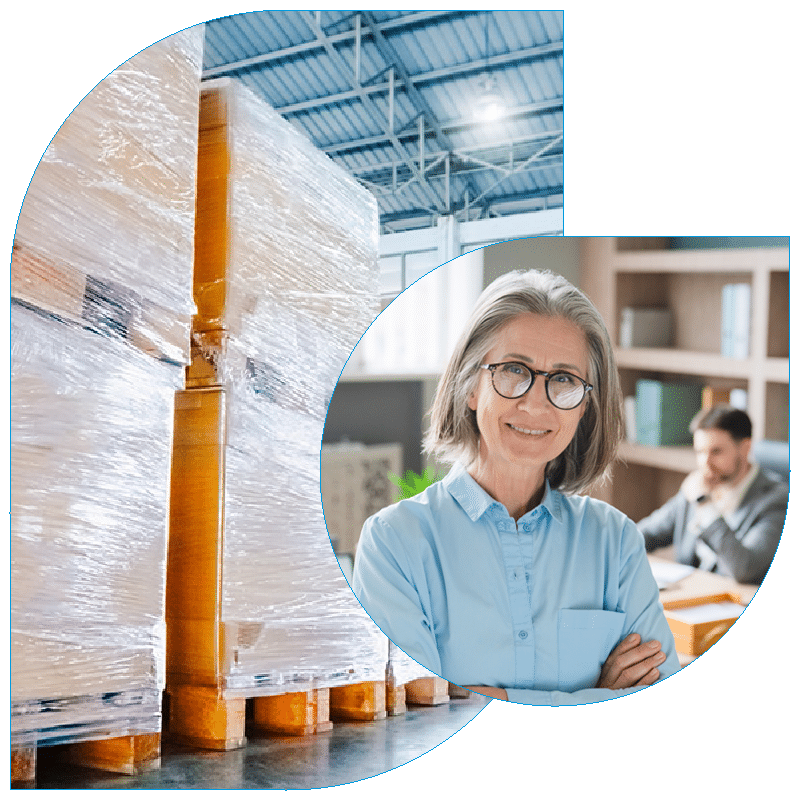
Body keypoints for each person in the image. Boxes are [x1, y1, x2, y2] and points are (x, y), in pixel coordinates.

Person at [351, 269, 680, 706]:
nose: (535, 403)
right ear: (470, 387)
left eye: (563, 379)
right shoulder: (395, 544)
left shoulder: (615, 542)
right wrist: (597, 697)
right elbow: (422, 722)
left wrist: (495, 698)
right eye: (513, 370)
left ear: (584, 406)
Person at [637, 405, 788, 585]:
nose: (705, 463)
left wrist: (705, 504)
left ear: (745, 448)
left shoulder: (777, 500)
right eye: (700, 451)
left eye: (716, 452)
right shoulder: (698, 486)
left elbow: (745, 569)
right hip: (692, 595)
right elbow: (646, 534)